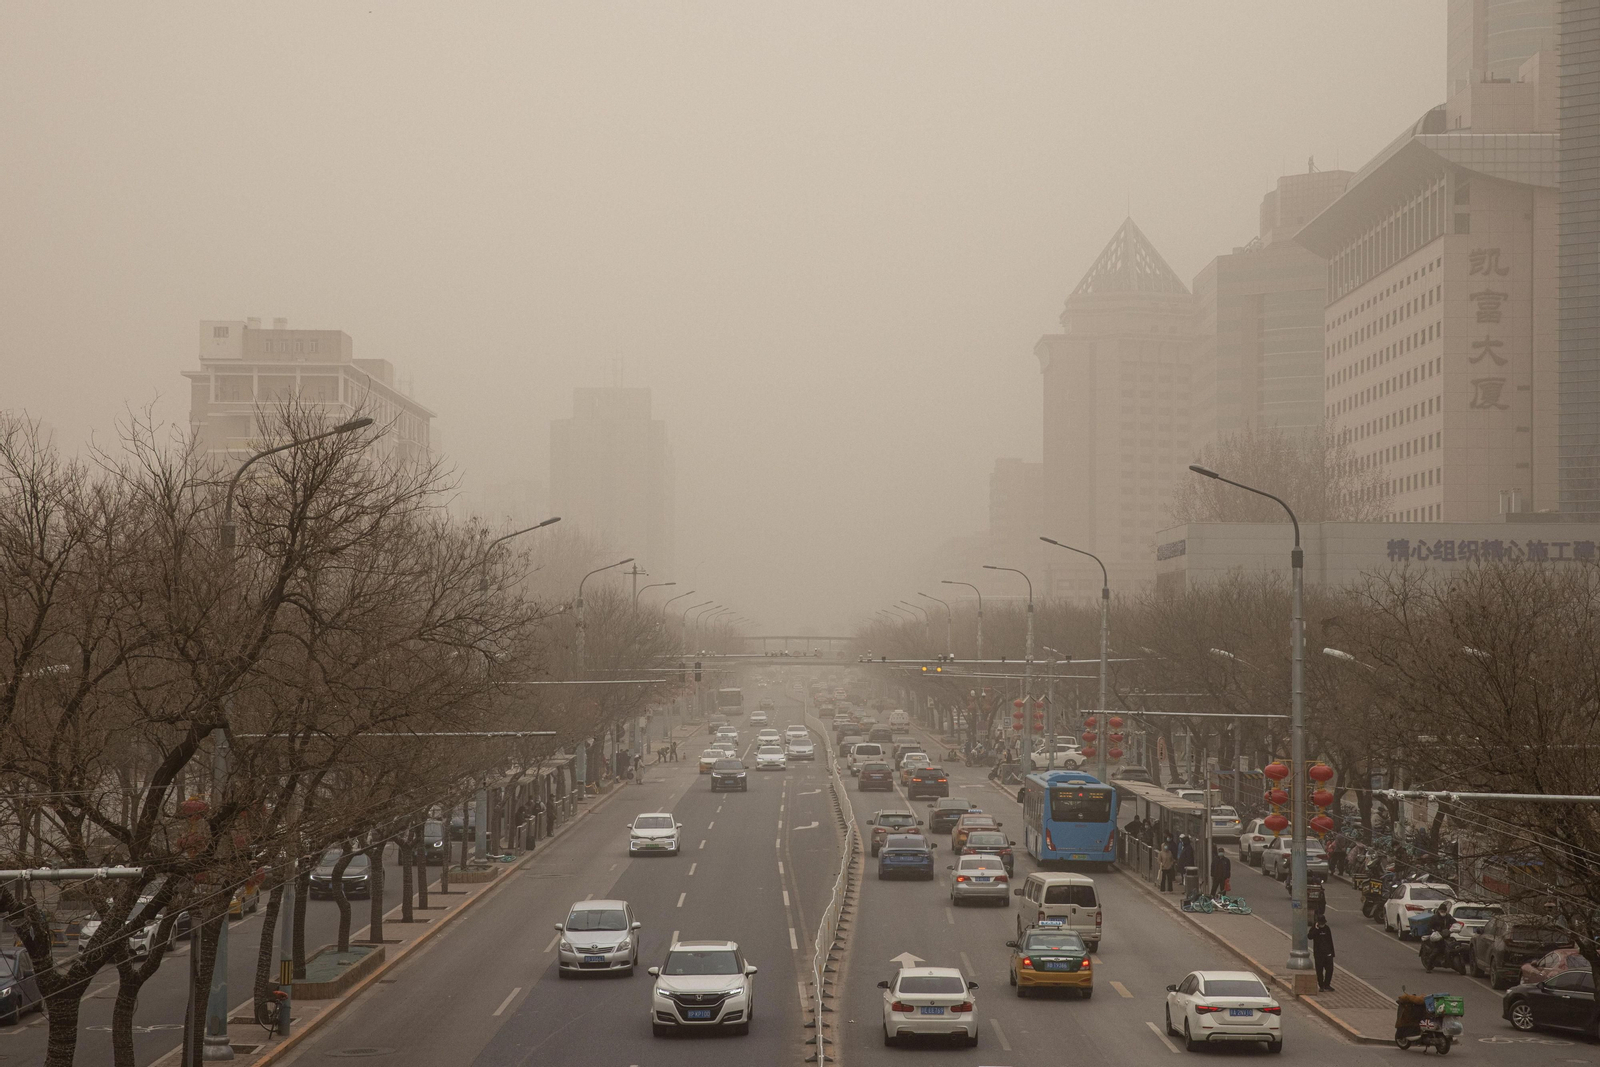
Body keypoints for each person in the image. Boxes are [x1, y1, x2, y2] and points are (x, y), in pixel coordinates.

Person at [1310, 914, 1336, 991]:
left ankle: (1327, 984)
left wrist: (1332, 953)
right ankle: (1321, 985)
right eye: (1321, 923)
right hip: (1318, 954)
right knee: (1319, 970)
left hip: (1327, 953)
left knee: (1330, 969)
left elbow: (1330, 940)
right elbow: (1310, 936)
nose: (1322, 925)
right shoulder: (1314, 928)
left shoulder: (1327, 928)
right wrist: (1316, 929)